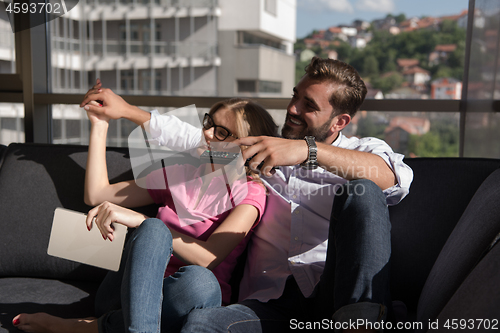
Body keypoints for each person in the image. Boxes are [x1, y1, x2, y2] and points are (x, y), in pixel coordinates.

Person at [78, 57, 413, 332]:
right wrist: (125, 111)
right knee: (201, 323)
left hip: (333, 294)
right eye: (295, 96)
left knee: (363, 191)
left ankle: (362, 324)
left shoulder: (361, 152)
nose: (293, 109)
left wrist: (305, 151)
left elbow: (391, 177)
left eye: (307, 105)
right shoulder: (256, 156)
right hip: (270, 306)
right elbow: (200, 139)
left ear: (339, 121)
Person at [12, 98, 279, 333]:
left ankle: (90, 327)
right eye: (208, 123)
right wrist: (100, 125)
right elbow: (98, 194)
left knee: (200, 280)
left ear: (246, 146)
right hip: (126, 293)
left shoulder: (250, 194)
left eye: (221, 132)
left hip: (182, 301)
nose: (207, 133)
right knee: (153, 231)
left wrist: (142, 221)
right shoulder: (181, 172)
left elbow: (208, 258)